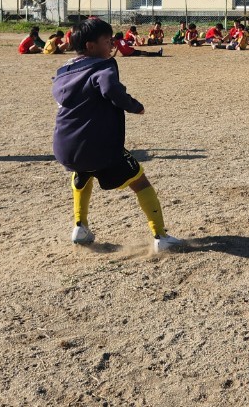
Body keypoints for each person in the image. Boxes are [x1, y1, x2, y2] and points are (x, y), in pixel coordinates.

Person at [52, 17, 183, 253]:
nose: (112, 44)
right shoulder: (102, 66)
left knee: (83, 174)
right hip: (99, 148)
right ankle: (160, 236)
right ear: (91, 46)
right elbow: (111, 88)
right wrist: (134, 106)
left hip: (65, 148)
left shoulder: (63, 71)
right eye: (107, 40)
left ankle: (80, 227)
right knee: (140, 181)